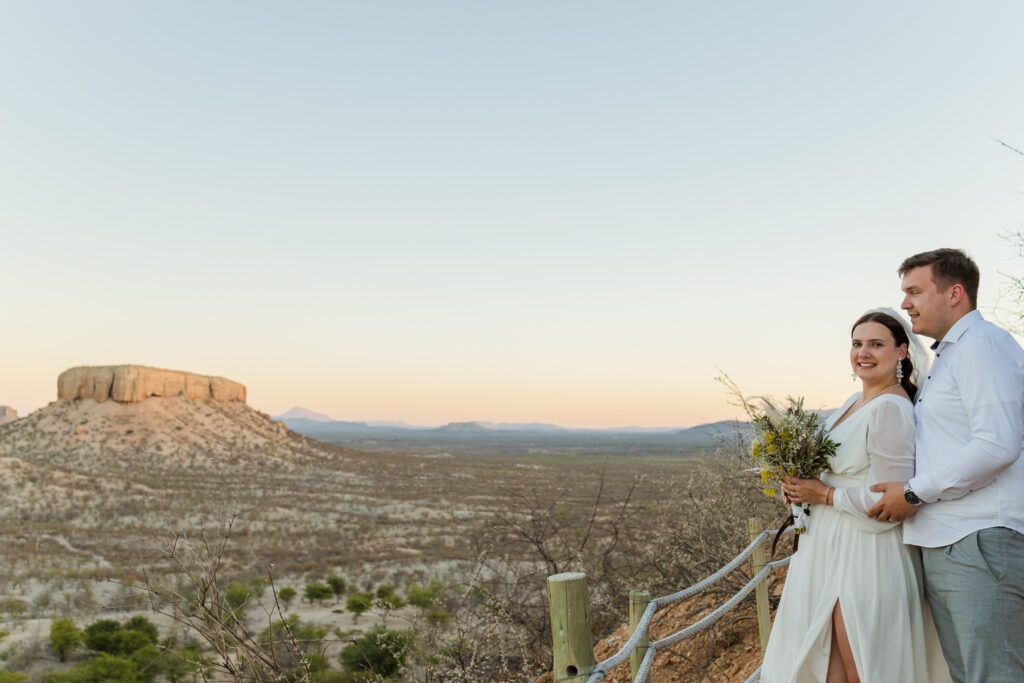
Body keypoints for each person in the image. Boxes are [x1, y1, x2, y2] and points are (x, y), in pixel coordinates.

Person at [759, 308, 950, 683]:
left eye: (876, 344)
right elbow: (834, 474)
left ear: (901, 352)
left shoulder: (892, 410)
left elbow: (891, 505)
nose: (863, 352)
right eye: (857, 343)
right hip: (825, 551)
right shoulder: (852, 402)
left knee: (864, 668)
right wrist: (800, 491)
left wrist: (825, 495)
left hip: (866, 557)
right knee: (826, 668)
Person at [868, 249, 1024, 683]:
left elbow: (997, 444)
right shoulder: (950, 356)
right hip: (951, 542)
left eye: (915, 292)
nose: (905, 304)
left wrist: (915, 492)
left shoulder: (982, 347)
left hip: (978, 540)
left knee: (993, 675)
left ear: (955, 294)